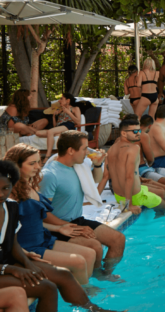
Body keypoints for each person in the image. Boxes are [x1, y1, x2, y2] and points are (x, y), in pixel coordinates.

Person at [0, 161, 120, 312]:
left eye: (6, 188)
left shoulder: (10, 206)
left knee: (61, 276)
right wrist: (9, 269)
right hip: (4, 268)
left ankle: (94, 309)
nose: (1, 194)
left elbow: (12, 242)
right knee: (44, 287)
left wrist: (27, 260)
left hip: (8, 263)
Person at [6, 144, 98, 286]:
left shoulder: (28, 184)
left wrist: (59, 229)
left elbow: (31, 220)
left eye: (39, 162)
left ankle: (84, 289)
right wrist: (22, 253)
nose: (38, 167)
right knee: (79, 262)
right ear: (15, 166)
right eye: (32, 163)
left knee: (90, 254)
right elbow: (8, 228)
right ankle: (84, 297)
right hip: (28, 245)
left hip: (42, 238)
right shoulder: (9, 193)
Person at [38, 131, 126, 277]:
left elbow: (94, 181)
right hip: (57, 227)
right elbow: (42, 213)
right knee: (95, 246)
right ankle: (96, 277)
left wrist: (97, 165)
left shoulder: (78, 165)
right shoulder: (50, 175)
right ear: (71, 150)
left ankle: (106, 274)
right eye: (85, 148)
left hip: (76, 219)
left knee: (118, 239)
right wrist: (67, 227)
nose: (88, 152)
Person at [108, 119, 165, 216]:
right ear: (124, 133)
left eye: (139, 130)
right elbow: (129, 176)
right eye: (135, 131)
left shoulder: (112, 148)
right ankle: (160, 217)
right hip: (135, 195)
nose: (138, 133)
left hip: (119, 195)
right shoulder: (134, 148)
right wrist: (129, 204)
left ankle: (158, 213)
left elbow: (108, 175)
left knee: (161, 190)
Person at [39, 93, 81, 161]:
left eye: (61, 99)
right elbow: (56, 126)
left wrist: (68, 112)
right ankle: (60, 134)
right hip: (60, 128)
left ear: (68, 100)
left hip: (68, 125)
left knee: (50, 131)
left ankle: (47, 156)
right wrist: (53, 116)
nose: (59, 101)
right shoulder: (60, 110)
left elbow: (78, 122)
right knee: (38, 133)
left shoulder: (75, 108)